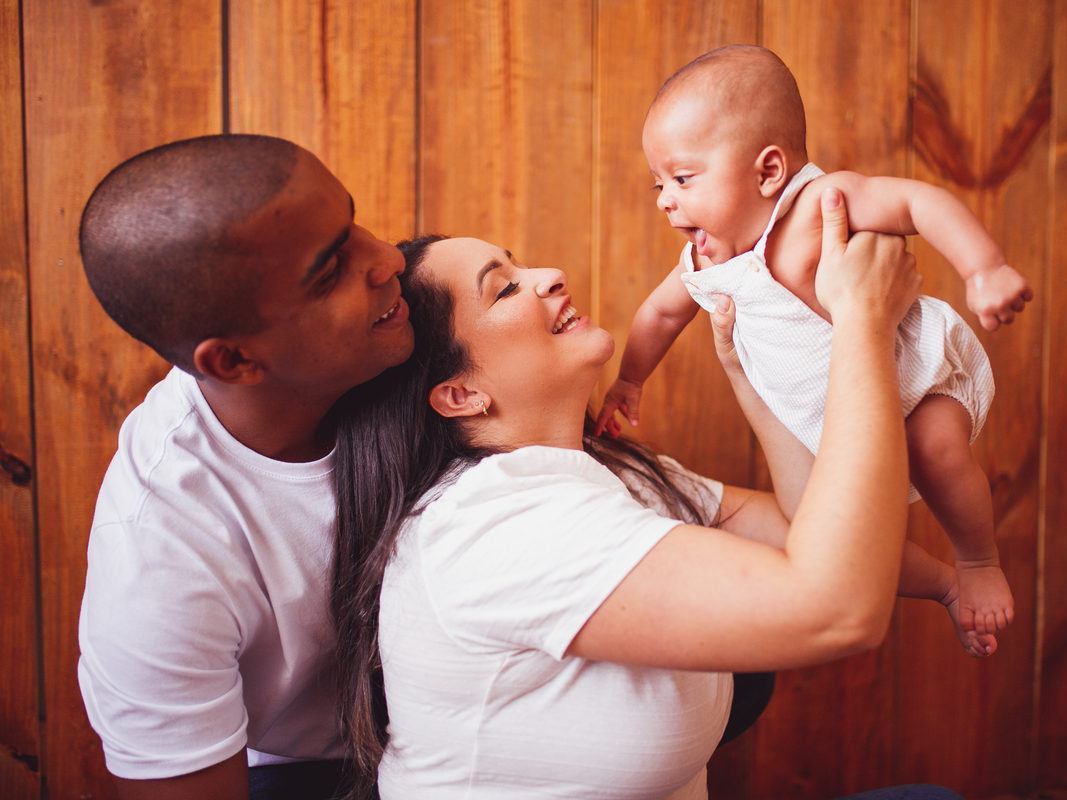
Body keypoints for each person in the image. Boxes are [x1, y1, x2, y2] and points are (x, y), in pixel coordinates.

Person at [328, 190, 983, 799]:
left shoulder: (612, 475)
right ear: (461, 394)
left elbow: (811, 532)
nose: (549, 275)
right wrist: (863, 325)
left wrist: (751, 381)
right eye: (504, 289)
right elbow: (840, 607)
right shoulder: (490, 524)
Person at [596, 45, 1033, 639]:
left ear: (768, 171)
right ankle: (943, 585)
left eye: (682, 178)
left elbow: (916, 202)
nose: (664, 199)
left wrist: (983, 267)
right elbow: (660, 314)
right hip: (827, 425)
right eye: (659, 183)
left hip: (914, 380)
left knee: (936, 450)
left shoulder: (818, 204)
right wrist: (630, 379)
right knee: (823, 531)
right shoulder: (706, 261)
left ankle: (977, 561)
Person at [76, 134, 413, 800]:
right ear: (233, 361)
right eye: (331, 270)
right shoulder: (157, 564)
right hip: (310, 772)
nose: (388, 258)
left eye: (354, 222)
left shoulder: (398, 322)